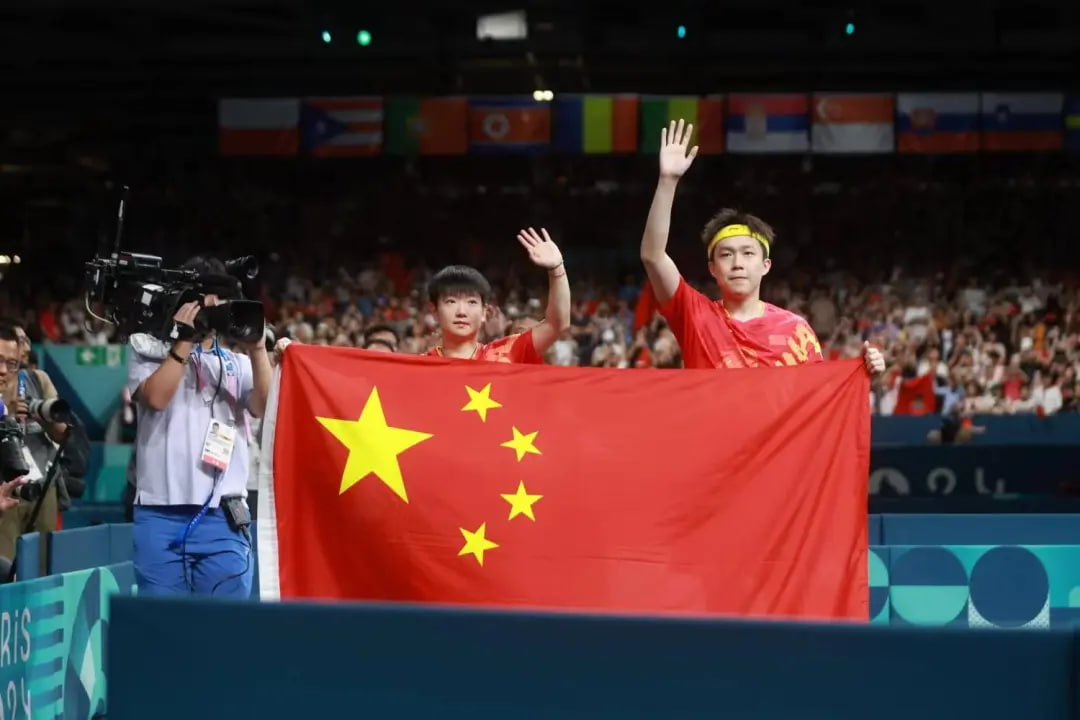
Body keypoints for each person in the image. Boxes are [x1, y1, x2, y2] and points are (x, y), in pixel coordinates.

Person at [640, 119, 885, 375]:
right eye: (726, 254)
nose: (737, 263)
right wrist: (667, 181)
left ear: (765, 265)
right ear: (712, 268)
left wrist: (865, 374)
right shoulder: (694, 316)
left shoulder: (795, 330)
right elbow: (652, 256)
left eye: (748, 253)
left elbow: (818, 397)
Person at [126, 255, 284, 598]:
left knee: (222, 630)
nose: (214, 311)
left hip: (223, 517)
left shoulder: (238, 362)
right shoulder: (146, 348)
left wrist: (258, 350)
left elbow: (264, 406)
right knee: (163, 630)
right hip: (159, 515)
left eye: (221, 303)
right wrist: (185, 339)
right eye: (205, 302)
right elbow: (155, 397)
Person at [425, 227, 570, 363]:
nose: (462, 312)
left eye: (471, 302)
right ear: (434, 311)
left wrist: (556, 269)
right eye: (451, 301)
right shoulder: (420, 367)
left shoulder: (506, 353)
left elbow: (556, 325)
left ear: (484, 312)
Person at [0, 321, 70, 567]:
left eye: (11, 362)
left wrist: (40, 413)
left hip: (40, 484)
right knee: (6, 567)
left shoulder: (37, 380)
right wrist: (6, 415)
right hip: (5, 489)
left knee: (44, 565)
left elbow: (63, 432)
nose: (4, 370)